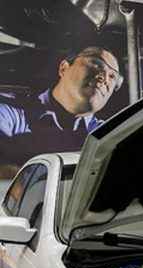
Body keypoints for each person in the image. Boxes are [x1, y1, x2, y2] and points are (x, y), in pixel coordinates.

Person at [0, 46, 122, 179]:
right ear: (63, 68)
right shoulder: (12, 111)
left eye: (112, 76)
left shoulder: (107, 135)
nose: (104, 78)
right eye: (97, 64)